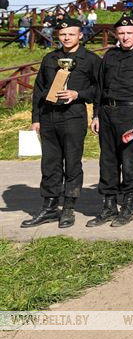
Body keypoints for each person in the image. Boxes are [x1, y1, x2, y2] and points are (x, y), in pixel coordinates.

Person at [23, 18, 101, 228]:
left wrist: (78, 94)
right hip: (49, 116)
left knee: (72, 163)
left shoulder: (91, 59)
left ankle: (68, 208)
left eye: (71, 34)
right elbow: (39, 90)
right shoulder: (50, 58)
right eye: (63, 34)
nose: (67, 38)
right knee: (50, 163)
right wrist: (36, 119)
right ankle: (49, 207)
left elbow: (99, 90)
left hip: (73, 116)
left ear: (80, 35)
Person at [88, 16, 133, 227]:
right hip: (107, 112)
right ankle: (109, 207)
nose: (125, 37)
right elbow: (100, 87)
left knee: (129, 162)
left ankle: (127, 208)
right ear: (116, 35)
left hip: (132, 113)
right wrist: (96, 114)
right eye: (121, 33)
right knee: (107, 161)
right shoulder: (110, 56)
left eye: (129, 32)